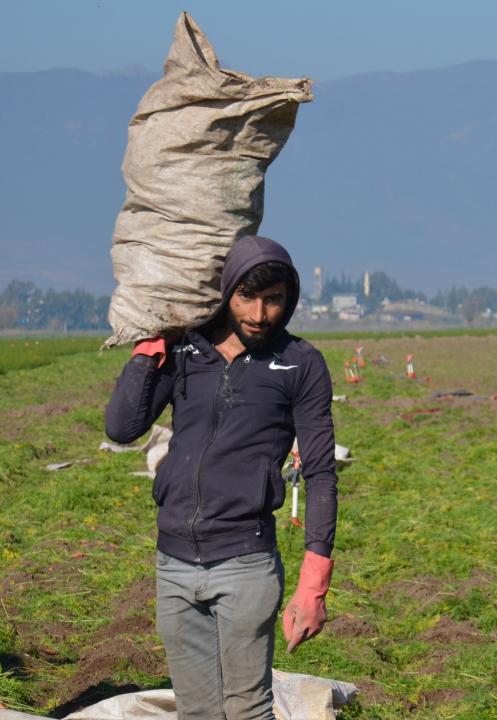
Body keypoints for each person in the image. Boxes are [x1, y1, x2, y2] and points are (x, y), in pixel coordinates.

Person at [105, 235, 338, 720]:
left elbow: (319, 472)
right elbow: (122, 428)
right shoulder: (186, 350)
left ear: (290, 299)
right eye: (246, 297)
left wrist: (313, 585)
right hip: (173, 562)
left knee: (247, 711)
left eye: (273, 299)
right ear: (226, 291)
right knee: (197, 712)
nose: (259, 314)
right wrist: (151, 343)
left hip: (245, 563)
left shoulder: (300, 363)